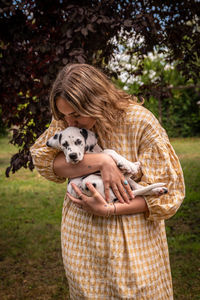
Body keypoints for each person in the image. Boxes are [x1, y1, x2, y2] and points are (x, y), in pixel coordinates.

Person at [30, 63, 185, 300]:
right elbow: (47, 162)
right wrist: (103, 160)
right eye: (64, 115)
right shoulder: (67, 120)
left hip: (134, 242)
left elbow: (168, 194)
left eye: (76, 115)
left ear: (96, 101)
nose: (69, 122)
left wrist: (109, 209)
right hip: (83, 239)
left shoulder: (139, 121)